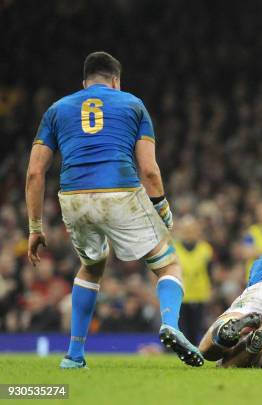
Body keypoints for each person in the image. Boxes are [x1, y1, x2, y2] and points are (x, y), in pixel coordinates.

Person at [25, 51, 204, 368]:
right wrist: (161, 207)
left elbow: (35, 173)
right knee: (168, 264)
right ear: (116, 81)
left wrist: (35, 228)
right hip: (119, 189)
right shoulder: (132, 104)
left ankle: (74, 355)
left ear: (84, 82)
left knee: (91, 268)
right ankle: (170, 325)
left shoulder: (57, 109)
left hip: (73, 196)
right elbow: (148, 170)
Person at [174, 215, 214, 345]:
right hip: (180, 294)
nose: (188, 232)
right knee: (182, 327)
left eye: (191, 229)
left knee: (196, 328)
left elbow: (210, 272)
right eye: (186, 229)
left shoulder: (205, 249)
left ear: (197, 231)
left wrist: (211, 288)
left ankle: (196, 350)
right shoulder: (173, 248)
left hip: (199, 294)